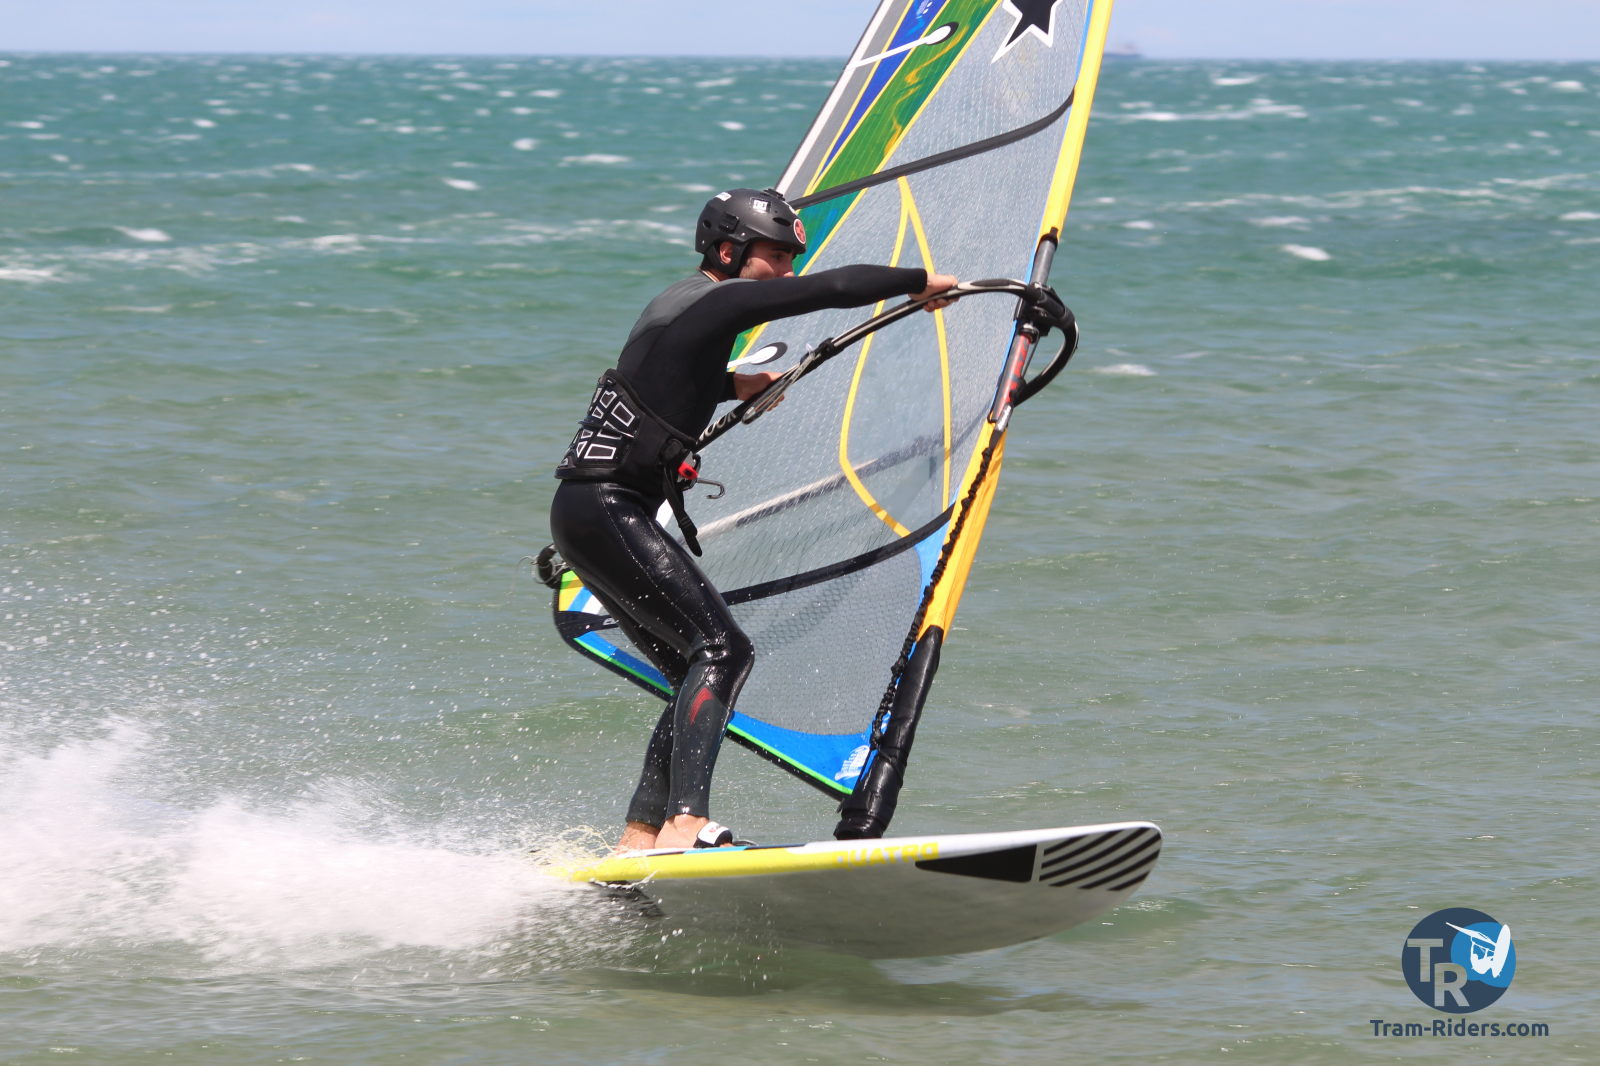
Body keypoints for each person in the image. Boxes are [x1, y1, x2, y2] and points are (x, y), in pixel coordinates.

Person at [549, 187, 957, 852]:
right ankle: (686, 822)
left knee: (696, 666)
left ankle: (639, 838)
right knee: (724, 649)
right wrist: (920, 282)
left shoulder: (683, 308)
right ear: (728, 250)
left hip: (588, 513)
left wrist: (734, 385)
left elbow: (665, 381)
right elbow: (831, 289)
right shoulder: (717, 299)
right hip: (608, 507)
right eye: (777, 255)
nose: (788, 270)